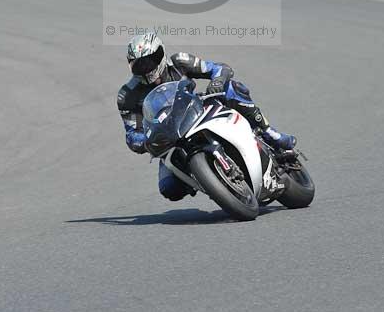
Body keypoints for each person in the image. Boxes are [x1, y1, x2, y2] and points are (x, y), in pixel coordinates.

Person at [117, 31, 297, 202]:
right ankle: (209, 180)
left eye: (150, 61)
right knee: (169, 188)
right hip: (170, 139)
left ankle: (269, 133)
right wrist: (146, 140)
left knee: (232, 88)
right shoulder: (126, 96)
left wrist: (218, 81)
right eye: (139, 64)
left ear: (161, 54)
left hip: (198, 111)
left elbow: (219, 69)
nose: (146, 68)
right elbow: (131, 134)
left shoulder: (180, 62)